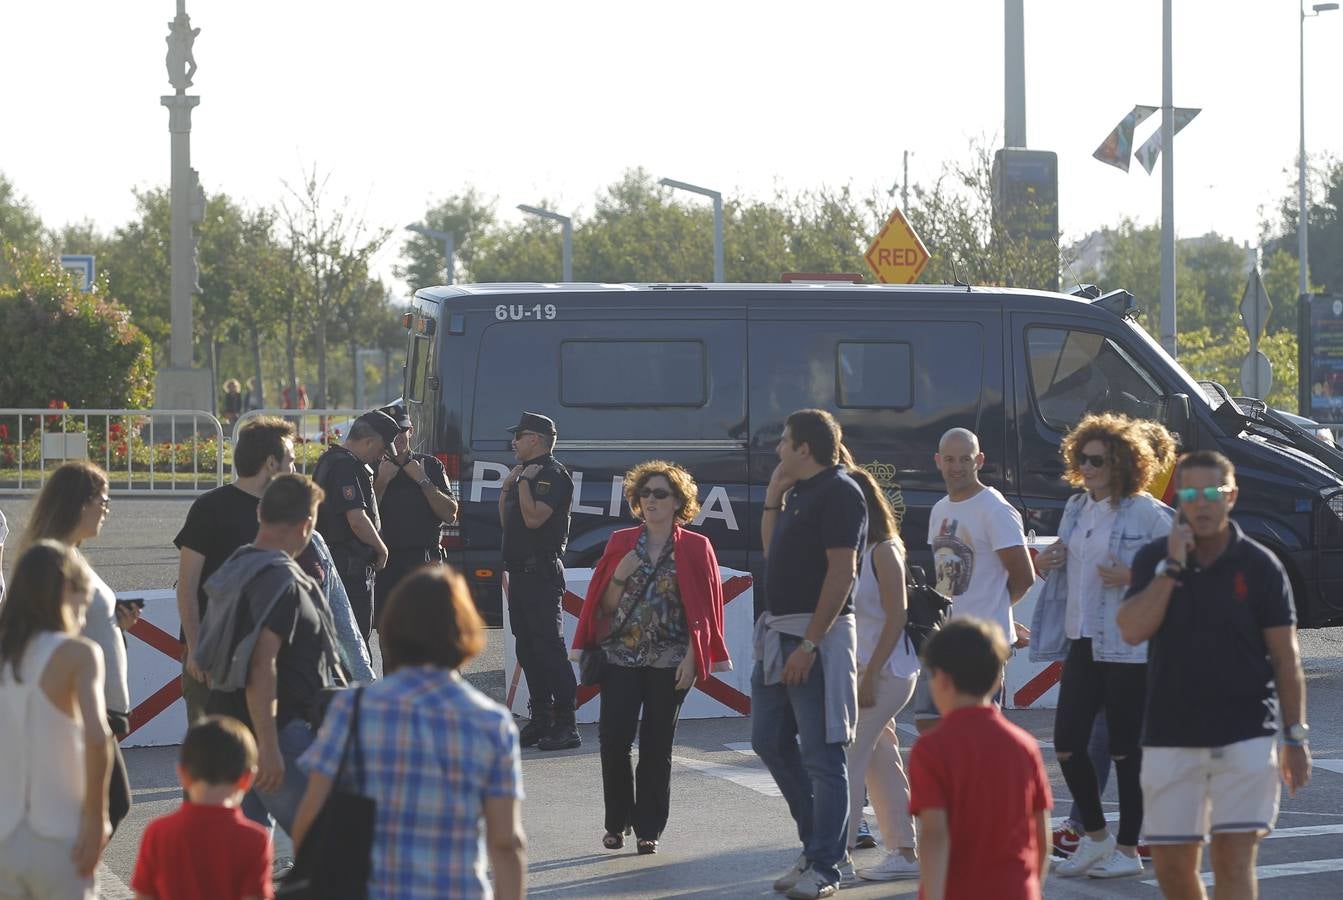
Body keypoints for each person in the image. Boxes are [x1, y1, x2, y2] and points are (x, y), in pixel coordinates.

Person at [1117, 450, 1310, 900]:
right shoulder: (1154, 559)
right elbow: (1131, 630)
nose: (1200, 504)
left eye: (1211, 493)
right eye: (1190, 493)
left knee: (1233, 860)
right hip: (1170, 735)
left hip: (1245, 735)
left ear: (1232, 496)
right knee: (1172, 869)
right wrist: (1171, 568)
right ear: (1178, 497)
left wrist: (1295, 736)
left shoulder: (1261, 566)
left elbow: (1286, 658)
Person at [294, 567, 527, 900]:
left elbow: (311, 813)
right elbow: (506, 842)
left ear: (392, 629)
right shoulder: (492, 723)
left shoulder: (353, 709)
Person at [1029, 414, 1174, 878]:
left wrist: (1135, 576)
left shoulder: (1147, 513)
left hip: (1127, 646)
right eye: (1082, 458)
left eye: (1098, 460)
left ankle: (1128, 851)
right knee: (1068, 743)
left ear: (1123, 464)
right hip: (1081, 641)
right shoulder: (1076, 507)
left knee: (1125, 751)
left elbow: (1184, 571)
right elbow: (1068, 561)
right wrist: (1047, 559)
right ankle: (1094, 837)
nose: (1087, 468)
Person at [571, 461, 731, 855]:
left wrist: (695, 657)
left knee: (657, 745)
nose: (651, 500)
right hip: (621, 656)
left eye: (660, 494)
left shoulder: (696, 546)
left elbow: (706, 608)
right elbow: (603, 606)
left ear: (679, 501)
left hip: (670, 658)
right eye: (645, 494)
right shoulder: (621, 542)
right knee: (613, 740)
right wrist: (621, 575)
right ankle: (616, 822)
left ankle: (649, 828)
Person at [754, 409, 866, 900]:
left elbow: (842, 574)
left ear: (805, 448)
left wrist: (810, 644)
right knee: (770, 741)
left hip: (812, 640)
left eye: (783, 442)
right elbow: (773, 553)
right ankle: (815, 846)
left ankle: (827, 864)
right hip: (778, 635)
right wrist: (773, 499)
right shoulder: (798, 492)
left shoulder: (841, 492)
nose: (777, 450)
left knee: (823, 757)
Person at [205, 474, 346, 835]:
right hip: (279, 732)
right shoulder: (281, 580)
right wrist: (268, 748)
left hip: (230, 732)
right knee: (324, 842)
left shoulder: (236, 567)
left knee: (244, 854)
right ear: (306, 525)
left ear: (260, 512)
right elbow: (260, 664)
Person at [18, 461, 137, 833]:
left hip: (93, 704)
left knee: (98, 806)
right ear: (78, 503)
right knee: (110, 803)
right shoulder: (54, 561)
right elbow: (42, 631)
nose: (106, 507)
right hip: (78, 706)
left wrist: (114, 623)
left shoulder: (67, 557)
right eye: (102, 499)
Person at [0, 541, 114, 898]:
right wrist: (98, 819)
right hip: (59, 833)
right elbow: (97, 739)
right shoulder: (78, 654)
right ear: (67, 589)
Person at [910, 617, 1052, 900]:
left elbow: (935, 833)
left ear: (942, 680)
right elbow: (1041, 835)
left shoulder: (932, 749)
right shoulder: (1025, 746)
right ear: (998, 678)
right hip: (1016, 890)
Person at [176, 417, 297, 726]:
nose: (295, 471)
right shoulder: (210, 508)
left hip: (268, 658)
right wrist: (195, 649)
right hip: (213, 656)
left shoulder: (285, 513)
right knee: (214, 761)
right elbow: (187, 585)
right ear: (271, 463)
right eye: (291, 461)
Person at [915, 428, 1034, 733]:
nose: (957, 467)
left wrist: (997, 615)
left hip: (983, 645)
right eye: (950, 459)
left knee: (977, 733)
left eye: (965, 459)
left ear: (979, 460)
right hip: (946, 638)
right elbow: (946, 581)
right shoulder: (940, 509)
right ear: (938, 461)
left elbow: (1023, 576)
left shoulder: (994, 509)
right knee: (930, 725)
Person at [841, 466, 921, 882]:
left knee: (849, 755)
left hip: (886, 670)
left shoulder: (884, 548)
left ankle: (839, 852)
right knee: (880, 757)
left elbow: (897, 617)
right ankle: (904, 853)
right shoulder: (853, 549)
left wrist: (871, 674)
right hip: (863, 668)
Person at [498, 411, 579, 751]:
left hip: (541, 574)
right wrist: (508, 487)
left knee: (549, 649)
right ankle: (541, 717)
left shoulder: (550, 475)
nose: (513, 442)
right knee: (527, 649)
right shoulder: (523, 475)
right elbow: (508, 521)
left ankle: (565, 724)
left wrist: (523, 484)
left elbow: (533, 520)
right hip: (519, 574)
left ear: (535, 439)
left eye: (519, 436)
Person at [131, 715, 272, 900]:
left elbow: (144, 896)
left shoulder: (158, 832)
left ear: (182, 774)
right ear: (247, 779)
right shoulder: (255, 839)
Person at [313, 410, 398, 640]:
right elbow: (357, 519)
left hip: (335, 565)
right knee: (355, 640)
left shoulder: (331, 460)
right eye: (382, 449)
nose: (381, 457)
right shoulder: (346, 467)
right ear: (369, 441)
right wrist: (381, 549)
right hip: (348, 568)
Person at [373, 403, 458, 632]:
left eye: (402, 430)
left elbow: (450, 514)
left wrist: (422, 480)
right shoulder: (371, 467)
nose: (397, 437)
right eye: (390, 432)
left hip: (424, 560)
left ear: (411, 431)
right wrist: (381, 482)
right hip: (387, 563)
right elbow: (363, 516)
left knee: (428, 631)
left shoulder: (430, 466)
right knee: (389, 631)